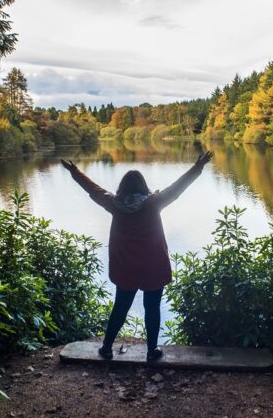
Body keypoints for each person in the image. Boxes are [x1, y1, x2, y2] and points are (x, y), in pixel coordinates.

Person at [60, 152, 213, 361]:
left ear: (122, 188)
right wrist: (198, 167)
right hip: (153, 268)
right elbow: (177, 188)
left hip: (125, 268)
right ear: (143, 186)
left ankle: (106, 347)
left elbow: (92, 188)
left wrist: (74, 171)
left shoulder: (113, 204)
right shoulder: (153, 203)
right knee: (152, 309)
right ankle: (152, 351)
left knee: (120, 308)